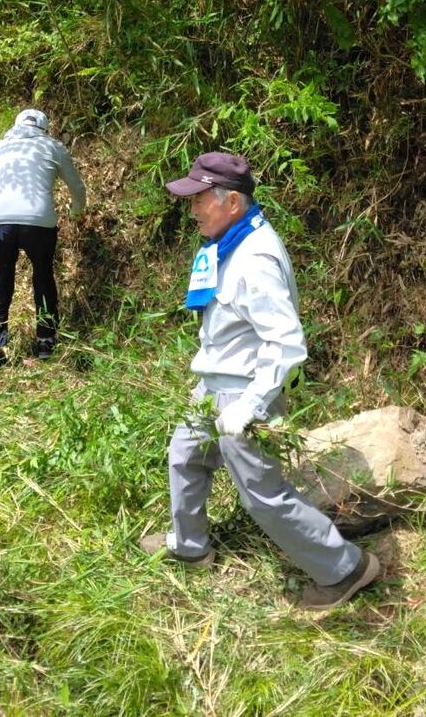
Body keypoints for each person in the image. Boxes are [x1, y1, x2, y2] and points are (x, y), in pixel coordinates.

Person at [140, 151, 380, 612]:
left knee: (263, 496)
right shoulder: (228, 245)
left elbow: (287, 343)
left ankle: (345, 569)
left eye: (200, 200)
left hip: (244, 393)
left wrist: (249, 407)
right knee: (185, 457)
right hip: (214, 386)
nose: (192, 211)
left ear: (232, 202)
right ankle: (190, 547)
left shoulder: (256, 259)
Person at [0, 108, 86, 372]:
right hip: (39, 219)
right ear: (44, 128)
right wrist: (76, 211)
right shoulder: (52, 146)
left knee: (1, 280)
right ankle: (46, 341)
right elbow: (76, 187)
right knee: (43, 275)